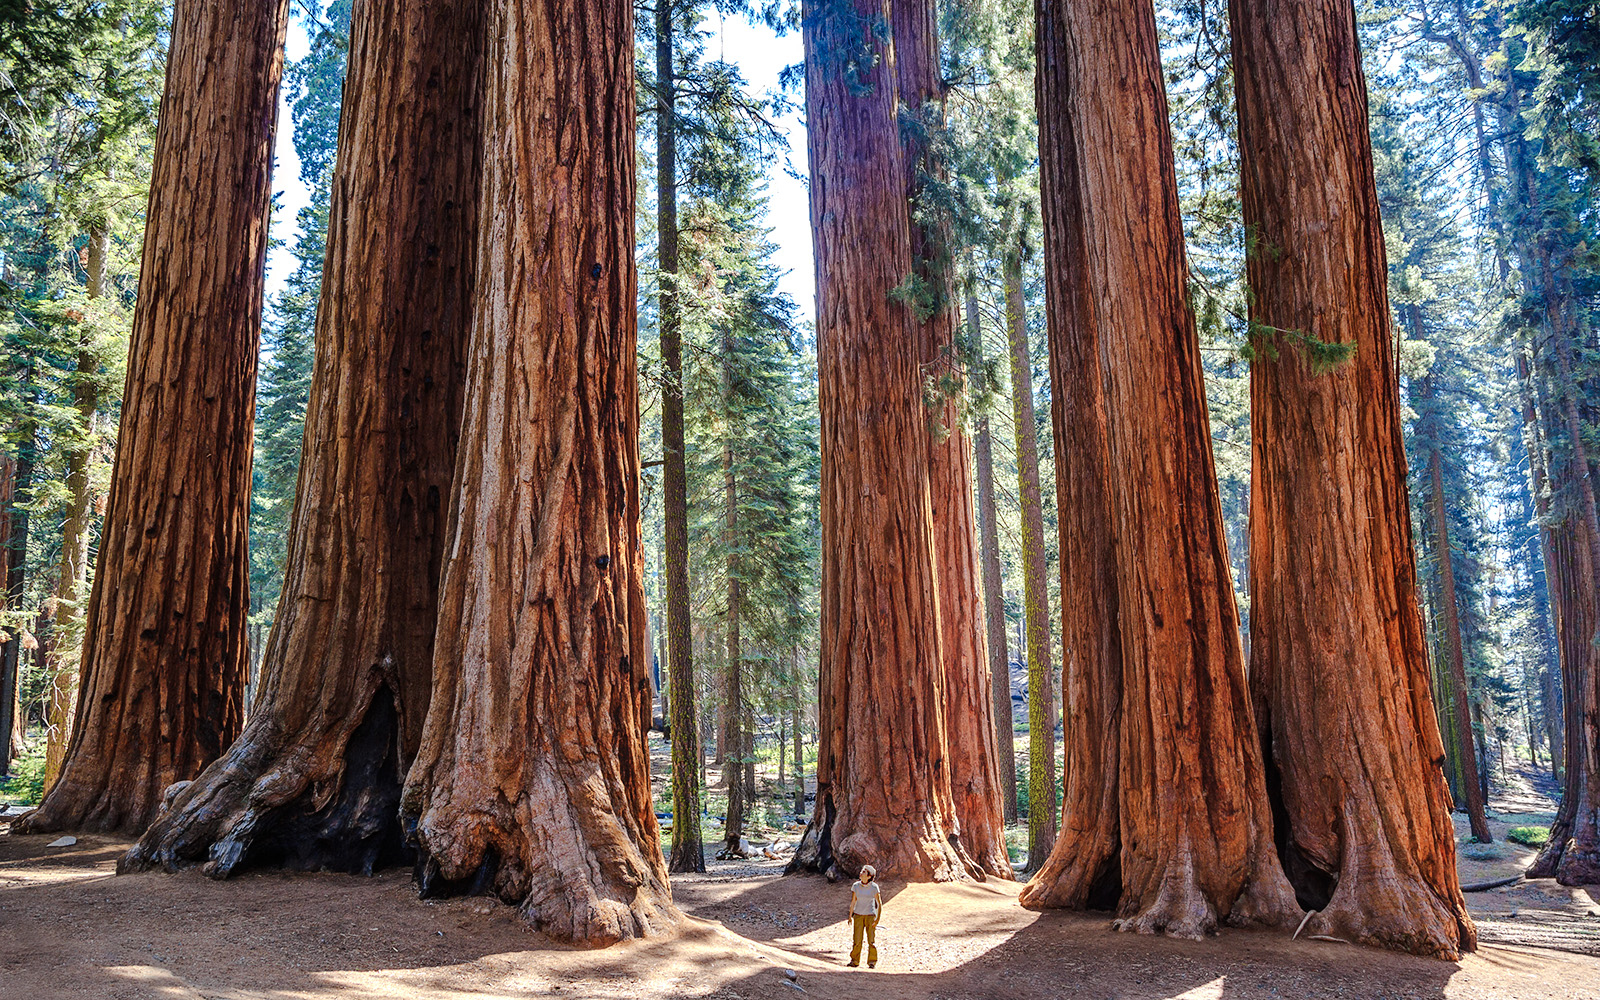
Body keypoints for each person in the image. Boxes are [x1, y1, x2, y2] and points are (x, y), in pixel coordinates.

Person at [846, 864, 882, 968]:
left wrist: (877, 919)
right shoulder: (856, 886)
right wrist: (850, 915)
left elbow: (879, 904)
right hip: (858, 915)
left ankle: (872, 961)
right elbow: (853, 901)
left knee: (871, 940)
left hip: (870, 915)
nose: (861, 873)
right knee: (857, 940)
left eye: (864, 872)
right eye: (862, 871)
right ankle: (855, 960)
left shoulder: (874, 887)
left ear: (869, 876)